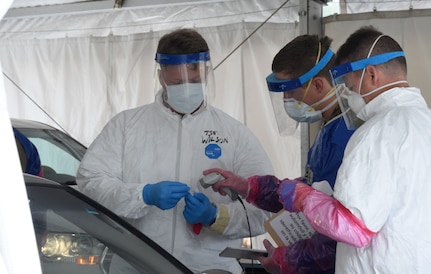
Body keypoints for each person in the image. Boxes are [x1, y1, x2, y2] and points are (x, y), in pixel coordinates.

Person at [210, 26, 431, 273]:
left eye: (348, 85)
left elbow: (349, 227)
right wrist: (253, 187)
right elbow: (317, 187)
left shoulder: (372, 132)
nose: (347, 95)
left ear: (371, 75)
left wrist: (290, 257)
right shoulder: (422, 122)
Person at [76, 28, 273, 274]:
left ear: (207, 72)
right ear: (161, 77)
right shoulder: (127, 126)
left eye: (194, 81)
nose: (187, 89)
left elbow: (265, 205)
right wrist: (142, 195)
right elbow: (90, 181)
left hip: (210, 266)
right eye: (178, 83)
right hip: (136, 263)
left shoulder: (233, 134)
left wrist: (216, 216)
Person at [205, 34, 355, 274]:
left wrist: (289, 259)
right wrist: (249, 187)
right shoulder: (329, 128)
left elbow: (341, 232)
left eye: (291, 92)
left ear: (317, 85)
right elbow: (309, 191)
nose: (287, 100)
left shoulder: (348, 136)